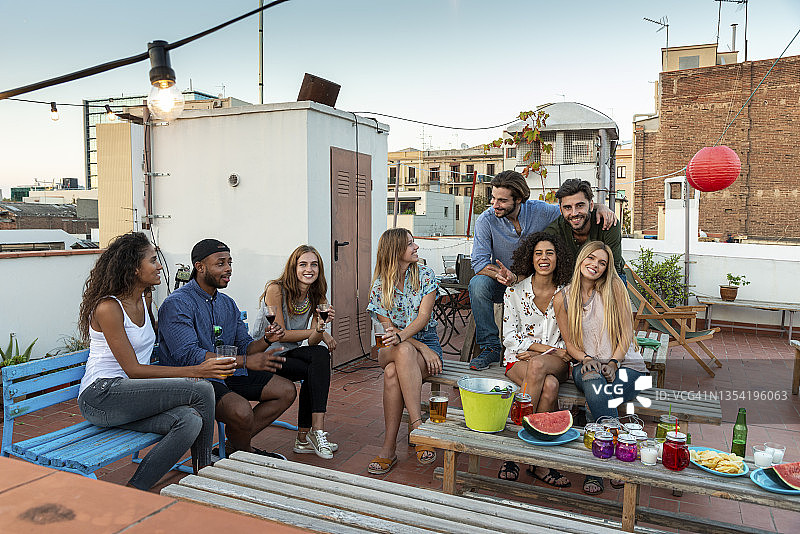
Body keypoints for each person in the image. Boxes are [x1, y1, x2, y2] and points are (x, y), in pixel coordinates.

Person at [77, 232, 234, 490]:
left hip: (129, 398)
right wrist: (195, 370)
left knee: (190, 420)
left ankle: (134, 490)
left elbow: (152, 337)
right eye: (153, 260)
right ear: (134, 268)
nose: (160, 265)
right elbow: (133, 369)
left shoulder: (143, 298)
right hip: (101, 397)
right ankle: (205, 475)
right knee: (203, 387)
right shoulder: (108, 307)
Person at [158, 239, 296, 459]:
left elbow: (245, 346)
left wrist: (267, 340)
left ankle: (234, 448)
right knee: (240, 412)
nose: (229, 268)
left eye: (230, 262)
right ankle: (244, 458)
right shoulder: (177, 303)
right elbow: (188, 356)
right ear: (200, 266)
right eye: (220, 263)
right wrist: (243, 362)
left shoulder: (227, 303)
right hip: (194, 380)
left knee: (285, 391)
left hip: (226, 373)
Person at [468, 171, 617, 370]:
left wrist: (598, 206)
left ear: (519, 198)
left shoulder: (541, 211)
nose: (495, 204)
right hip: (503, 281)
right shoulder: (485, 220)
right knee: (477, 285)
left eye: (502, 200)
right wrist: (504, 276)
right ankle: (490, 347)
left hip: (538, 282)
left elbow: (571, 211)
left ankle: (582, 349)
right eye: (493, 198)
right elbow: (478, 263)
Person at [554, 241, 648, 495]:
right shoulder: (562, 297)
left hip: (626, 366)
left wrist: (615, 363)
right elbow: (570, 343)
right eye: (591, 258)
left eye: (602, 262)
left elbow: (627, 333)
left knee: (596, 397)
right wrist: (585, 358)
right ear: (581, 259)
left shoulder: (615, 288)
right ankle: (620, 458)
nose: (595, 265)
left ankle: (594, 471)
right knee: (593, 381)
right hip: (586, 364)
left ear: (607, 269)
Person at [498, 232, 573, 487]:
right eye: (538, 253)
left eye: (549, 253)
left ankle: (513, 452)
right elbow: (509, 338)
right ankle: (538, 462)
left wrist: (536, 351)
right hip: (517, 361)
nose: (544, 258)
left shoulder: (567, 294)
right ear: (530, 258)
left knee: (539, 365)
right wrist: (542, 348)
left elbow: (567, 344)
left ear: (558, 258)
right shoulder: (514, 292)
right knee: (549, 386)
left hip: (556, 362)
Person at [366, 228, 443, 475]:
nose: (416, 247)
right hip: (393, 346)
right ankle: (419, 429)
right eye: (410, 244)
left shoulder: (426, 276)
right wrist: (417, 345)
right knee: (402, 352)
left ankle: (388, 449)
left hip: (423, 342)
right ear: (396, 251)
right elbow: (390, 334)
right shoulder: (380, 287)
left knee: (391, 374)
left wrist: (415, 343)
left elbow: (423, 317)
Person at [253, 245, 338, 459]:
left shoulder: (317, 294)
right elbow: (279, 333)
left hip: (288, 354)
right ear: (294, 267)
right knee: (317, 359)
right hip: (264, 356)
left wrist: (321, 329)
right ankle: (310, 435)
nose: (309, 269)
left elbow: (312, 340)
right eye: (303, 264)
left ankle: (308, 436)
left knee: (318, 357)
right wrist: (316, 331)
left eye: (314, 264)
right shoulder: (276, 289)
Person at [545, 178, 625, 280]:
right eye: (568, 207)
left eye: (580, 205)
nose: (574, 213)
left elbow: (614, 270)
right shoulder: (554, 231)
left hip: (607, 276)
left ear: (591, 205)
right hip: (574, 278)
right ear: (561, 210)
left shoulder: (607, 223)